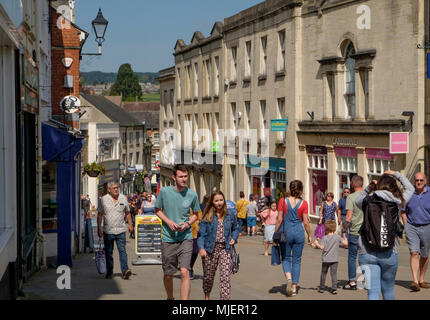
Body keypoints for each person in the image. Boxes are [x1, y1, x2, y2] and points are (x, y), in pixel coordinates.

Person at [355, 170, 414, 300]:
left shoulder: (367, 201)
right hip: (390, 252)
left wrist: (369, 188)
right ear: (393, 187)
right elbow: (410, 188)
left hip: (367, 251)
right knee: (388, 292)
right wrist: (396, 174)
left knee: (373, 294)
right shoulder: (398, 202)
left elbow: (356, 200)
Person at [155, 164, 200, 300]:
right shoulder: (164, 192)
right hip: (168, 238)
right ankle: (170, 297)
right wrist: (168, 222)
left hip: (185, 237)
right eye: (181, 176)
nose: (184, 179)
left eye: (185, 176)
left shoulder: (192, 194)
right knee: (168, 274)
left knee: (184, 271)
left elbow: (196, 214)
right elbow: (157, 210)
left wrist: (187, 223)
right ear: (174, 177)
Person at [197, 191, 240, 300]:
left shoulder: (230, 214)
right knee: (208, 277)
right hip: (210, 250)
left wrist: (234, 238)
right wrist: (201, 248)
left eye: (221, 200)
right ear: (212, 202)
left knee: (225, 277)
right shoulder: (207, 215)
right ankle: (207, 295)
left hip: (225, 249)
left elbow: (236, 228)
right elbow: (201, 234)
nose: (219, 203)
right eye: (216, 200)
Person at [275, 180, 312, 297]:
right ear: (301, 190)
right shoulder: (304, 203)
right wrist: (309, 235)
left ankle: (289, 278)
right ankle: (294, 288)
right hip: (299, 233)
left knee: (286, 258)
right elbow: (306, 222)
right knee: (297, 260)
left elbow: (279, 219)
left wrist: (275, 233)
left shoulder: (283, 201)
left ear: (290, 189)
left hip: (286, 233)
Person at [97, 182, 133, 280]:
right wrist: (99, 228)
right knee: (109, 252)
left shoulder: (123, 198)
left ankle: (125, 270)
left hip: (121, 229)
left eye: (117, 188)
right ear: (109, 189)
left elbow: (128, 213)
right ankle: (110, 271)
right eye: (114, 188)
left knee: (122, 251)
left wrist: (130, 225)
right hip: (108, 231)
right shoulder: (103, 199)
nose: (116, 189)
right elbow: (100, 214)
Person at [402, 172, 430, 291]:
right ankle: (415, 281)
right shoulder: (408, 194)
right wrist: (406, 225)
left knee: (424, 255)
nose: (418, 182)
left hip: (427, 226)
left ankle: (421, 279)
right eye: (417, 180)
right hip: (412, 227)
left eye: (421, 180)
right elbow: (403, 211)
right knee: (414, 253)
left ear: (425, 181)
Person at [341, 175, 364, 290]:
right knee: (365, 256)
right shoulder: (368, 196)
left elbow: (349, 217)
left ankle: (352, 282)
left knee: (352, 257)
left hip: (355, 231)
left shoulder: (351, 197)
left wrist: (343, 229)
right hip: (367, 232)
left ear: (353, 184)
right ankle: (365, 280)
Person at [314, 220, 348, 294]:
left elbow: (322, 247)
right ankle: (334, 288)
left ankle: (322, 287)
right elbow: (345, 243)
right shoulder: (337, 237)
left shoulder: (324, 238)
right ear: (334, 228)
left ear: (326, 229)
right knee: (334, 274)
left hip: (326, 259)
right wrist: (345, 237)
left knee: (323, 273)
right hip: (334, 259)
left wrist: (317, 243)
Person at [189, 195, 209, 280]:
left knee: (196, 252)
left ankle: (190, 267)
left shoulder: (204, 209)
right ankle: (187, 267)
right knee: (191, 252)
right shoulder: (188, 209)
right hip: (188, 233)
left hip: (200, 233)